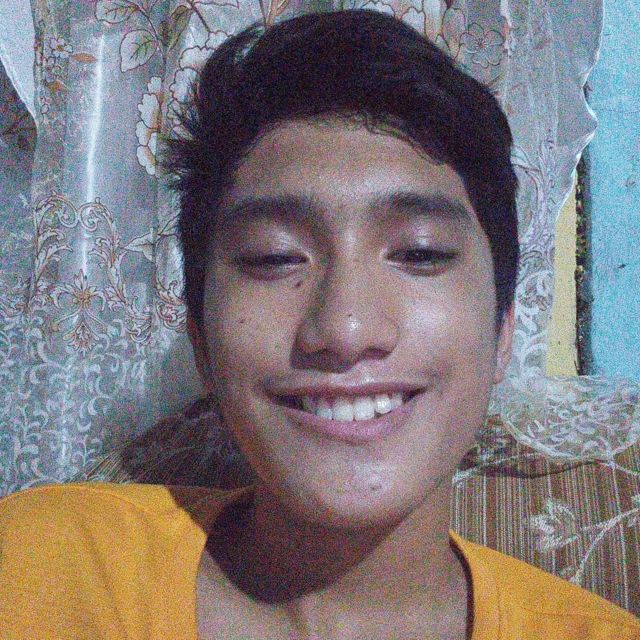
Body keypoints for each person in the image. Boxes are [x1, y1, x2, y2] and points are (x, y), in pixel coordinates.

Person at [0, 9, 638, 640]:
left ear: (502, 330)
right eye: (274, 257)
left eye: (419, 253)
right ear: (199, 338)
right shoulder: (38, 568)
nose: (345, 329)